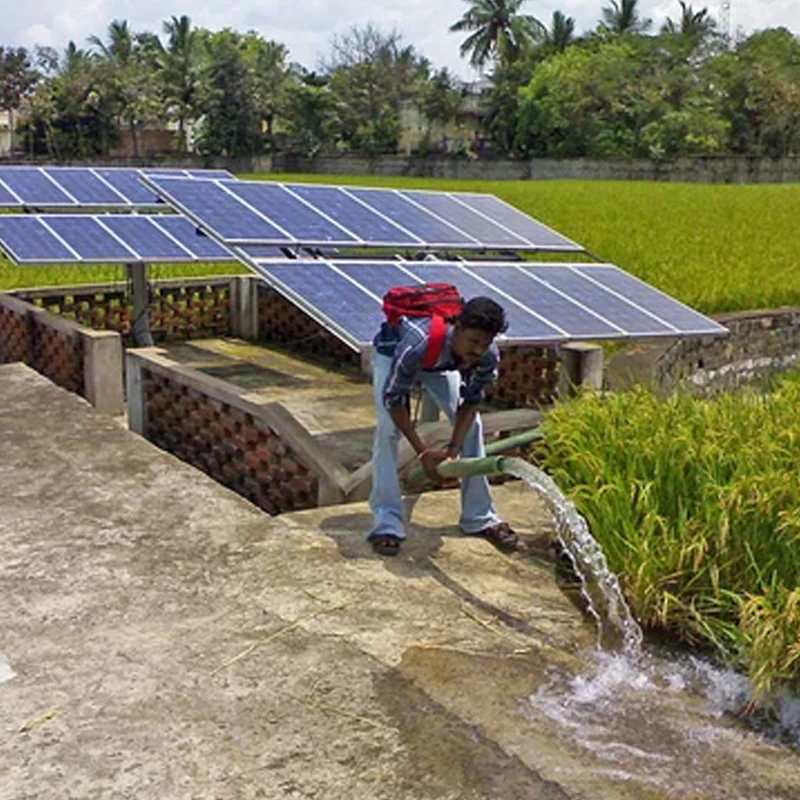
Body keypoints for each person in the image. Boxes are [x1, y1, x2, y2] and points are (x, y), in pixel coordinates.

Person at [367, 296, 518, 556]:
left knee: (473, 426)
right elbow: (394, 400)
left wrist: (453, 450)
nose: (478, 350)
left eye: (485, 343)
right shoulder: (417, 345)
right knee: (387, 431)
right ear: (457, 327)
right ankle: (386, 522)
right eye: (473, 341)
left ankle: (480, 516)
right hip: (393, 355)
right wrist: (423, 453)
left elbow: (470, 402)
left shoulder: (486, 355)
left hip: (440, 363)